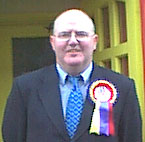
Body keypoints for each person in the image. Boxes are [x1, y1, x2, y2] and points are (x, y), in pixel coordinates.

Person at [2, 9, 142, 142]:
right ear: (53, 42)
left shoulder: (123, 88)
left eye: (81, 34)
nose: (73, 41)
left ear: (94, 41)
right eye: (64, 35)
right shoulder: (25, 88)